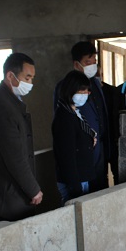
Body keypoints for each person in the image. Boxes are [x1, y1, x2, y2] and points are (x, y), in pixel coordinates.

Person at [0, 52, 43, 222]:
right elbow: (14, 156)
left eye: (32, 78)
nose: (30, 83)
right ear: (10, 76)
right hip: (7, 194)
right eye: (27, 78)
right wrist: (33, 189)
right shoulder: (4, 107)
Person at [54, 41, 111, 191]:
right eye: (88, 62)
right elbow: (62, 125)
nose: (92, 66)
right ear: (76, 64)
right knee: (82, 190)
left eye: (94, 61)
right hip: (81, 149)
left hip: (99, 146)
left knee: (100, 186)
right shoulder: (65, 87)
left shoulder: (96, 84)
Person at [52, 70, 98, 204]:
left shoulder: (74, 112)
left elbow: (79, 137)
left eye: (87, 91)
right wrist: (75, 186)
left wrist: (89, 139)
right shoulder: (64, 117)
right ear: (70, 90)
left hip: (81, 176)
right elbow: (66, 155)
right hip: (74, 180)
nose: (85, 94)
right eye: (81, 91)